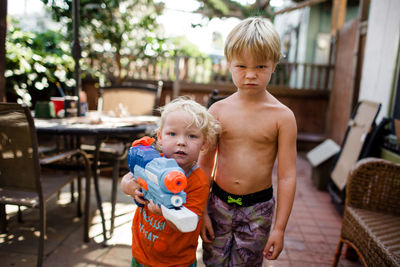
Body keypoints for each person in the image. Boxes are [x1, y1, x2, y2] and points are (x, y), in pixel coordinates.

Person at [199, 17, 297, 266]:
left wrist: (279, 228)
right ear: (229, 64)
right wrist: (201, 211)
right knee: (213, 262)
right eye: (241, 66)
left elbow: (287, 176)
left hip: (258, 210)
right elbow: (203, 166)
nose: (251, 75)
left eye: (261, 67)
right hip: (217, 203)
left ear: (274, 65)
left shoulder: (283, 117)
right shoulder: (218, 111)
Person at [121, 97, 220, 267]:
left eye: (192, 136)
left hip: (176, 261)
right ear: (160, 137)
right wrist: (130, 187)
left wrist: (164, 213)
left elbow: (189, 222)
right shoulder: (152, 161)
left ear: (204, 144)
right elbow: (127, 178)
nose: (181, 141)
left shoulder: (198, 181)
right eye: (172, 134)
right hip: (141, 253)